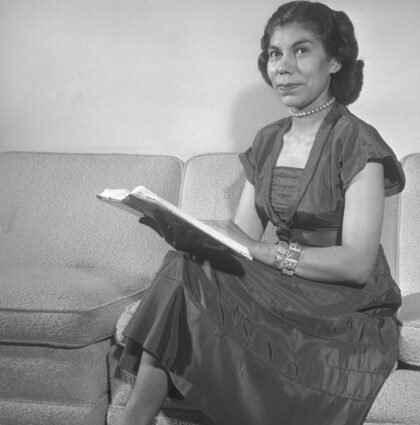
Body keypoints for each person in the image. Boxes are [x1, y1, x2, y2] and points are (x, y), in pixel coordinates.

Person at [117, 2, 405, 425]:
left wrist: (256, 249)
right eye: (274, 54)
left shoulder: (358, 142)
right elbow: (241, 237)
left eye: (301, 51)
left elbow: (356, 265)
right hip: (286, 285)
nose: (283, 67)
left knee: (184, 274)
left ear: (335, 61)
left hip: (342, 300)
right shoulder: (268, 140)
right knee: (183, 262)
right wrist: (185, 231)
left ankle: (131, 421)